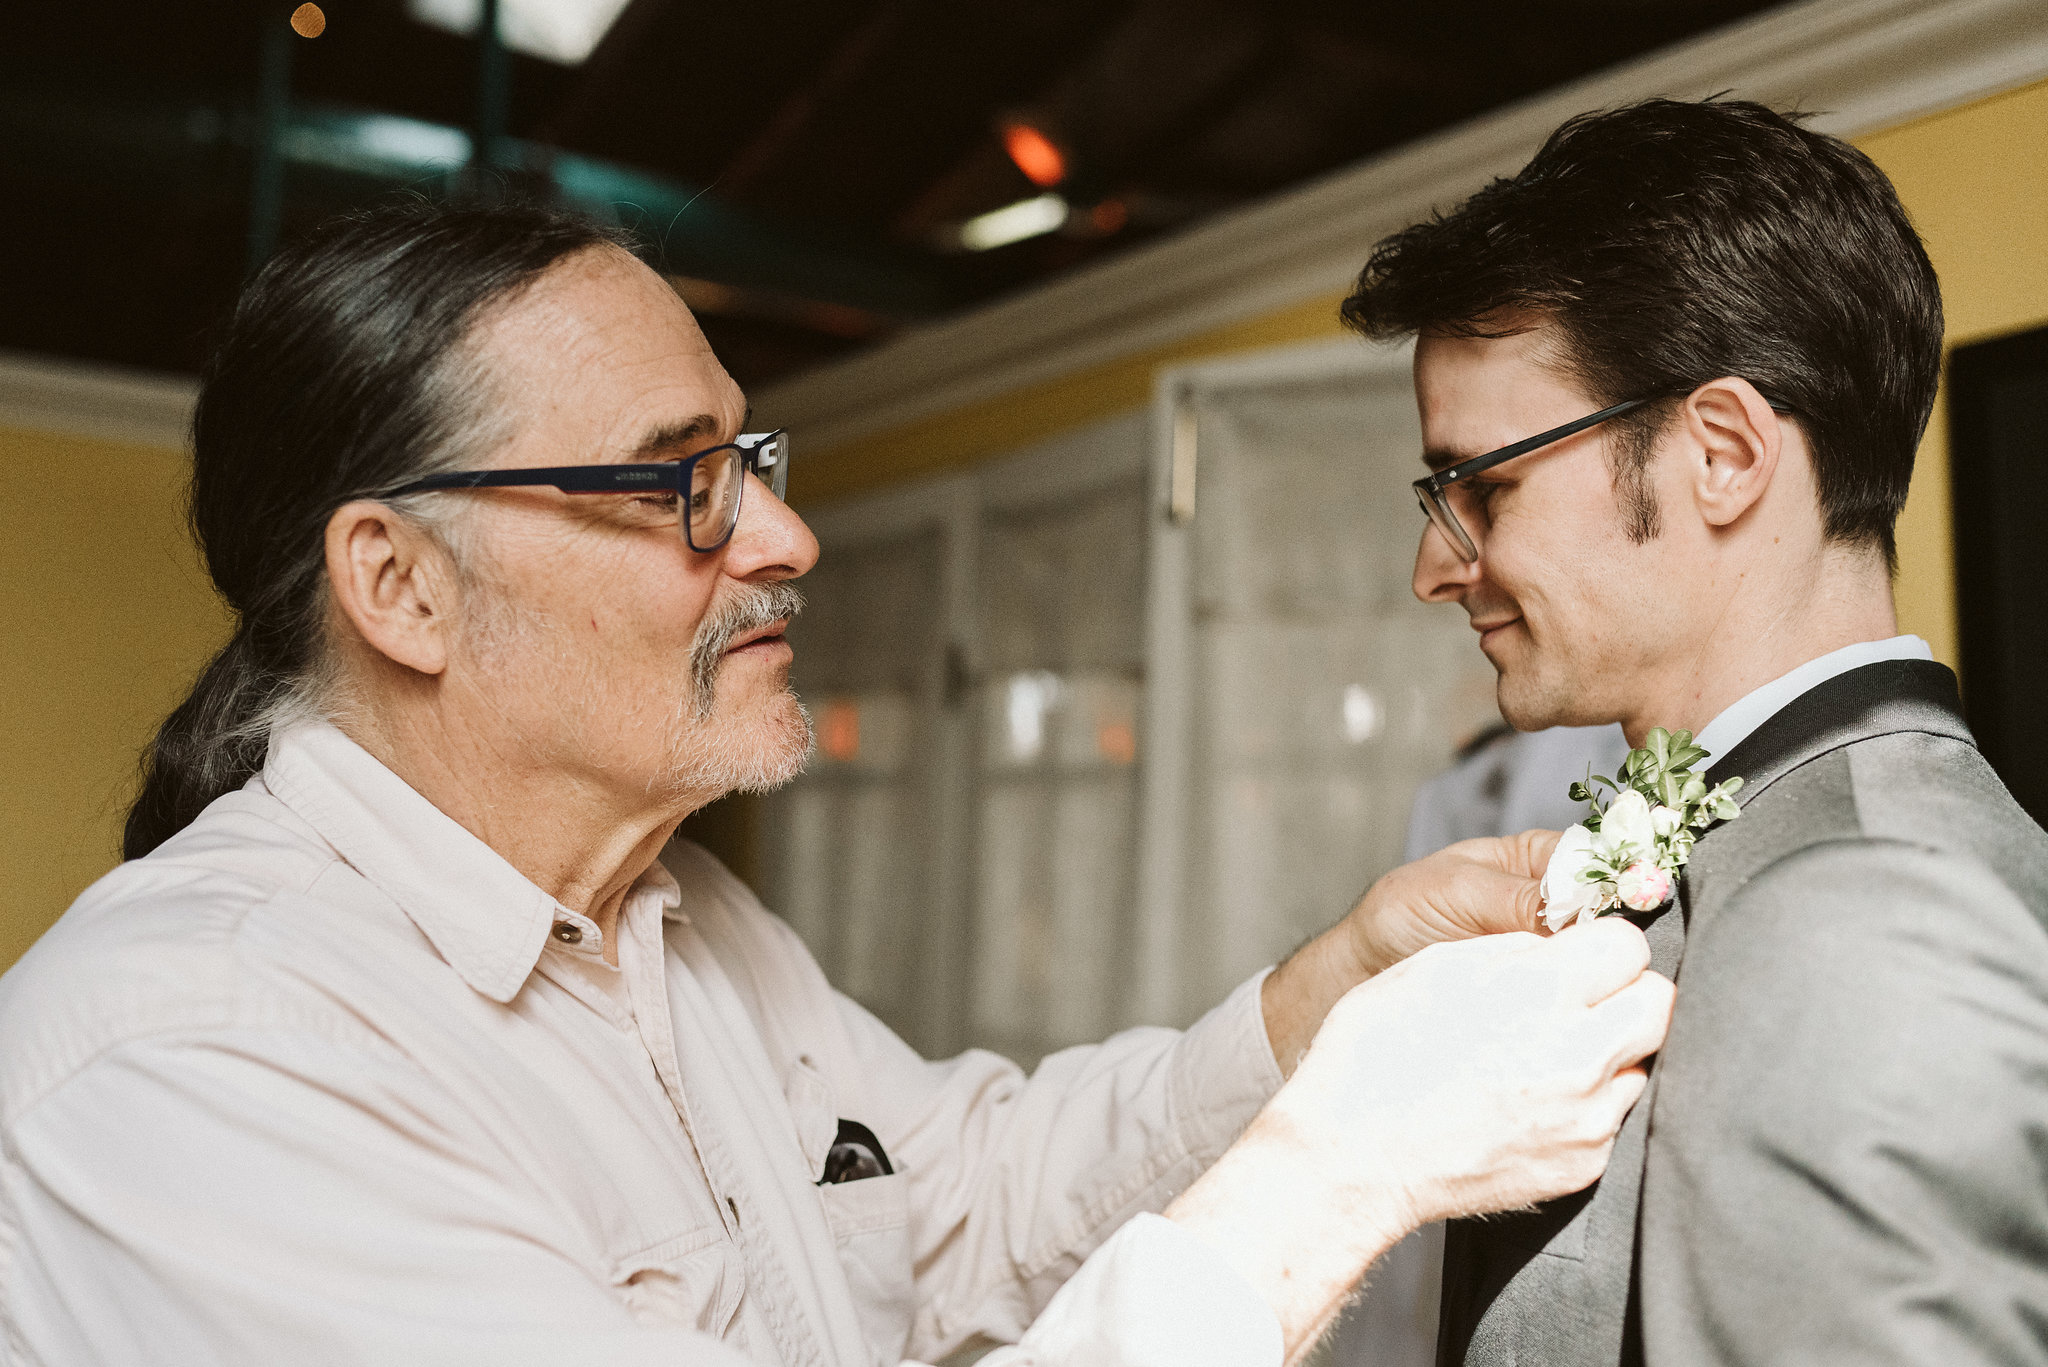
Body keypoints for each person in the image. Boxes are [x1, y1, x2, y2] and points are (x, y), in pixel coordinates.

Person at [0, 199, 1672, 1367]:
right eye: (679, 484)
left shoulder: (690, 930)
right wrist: (1347, 1167)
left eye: (752, 465)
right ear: (400, 585)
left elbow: (975, 1195)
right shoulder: (190, 1059)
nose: (787, 540)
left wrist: (1324, 999)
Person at [1344, 97, 2048, 1365]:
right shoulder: (1771, 840)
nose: (1432, 569)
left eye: (1482, 487)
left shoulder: (1868, 914)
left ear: (1719, 453)